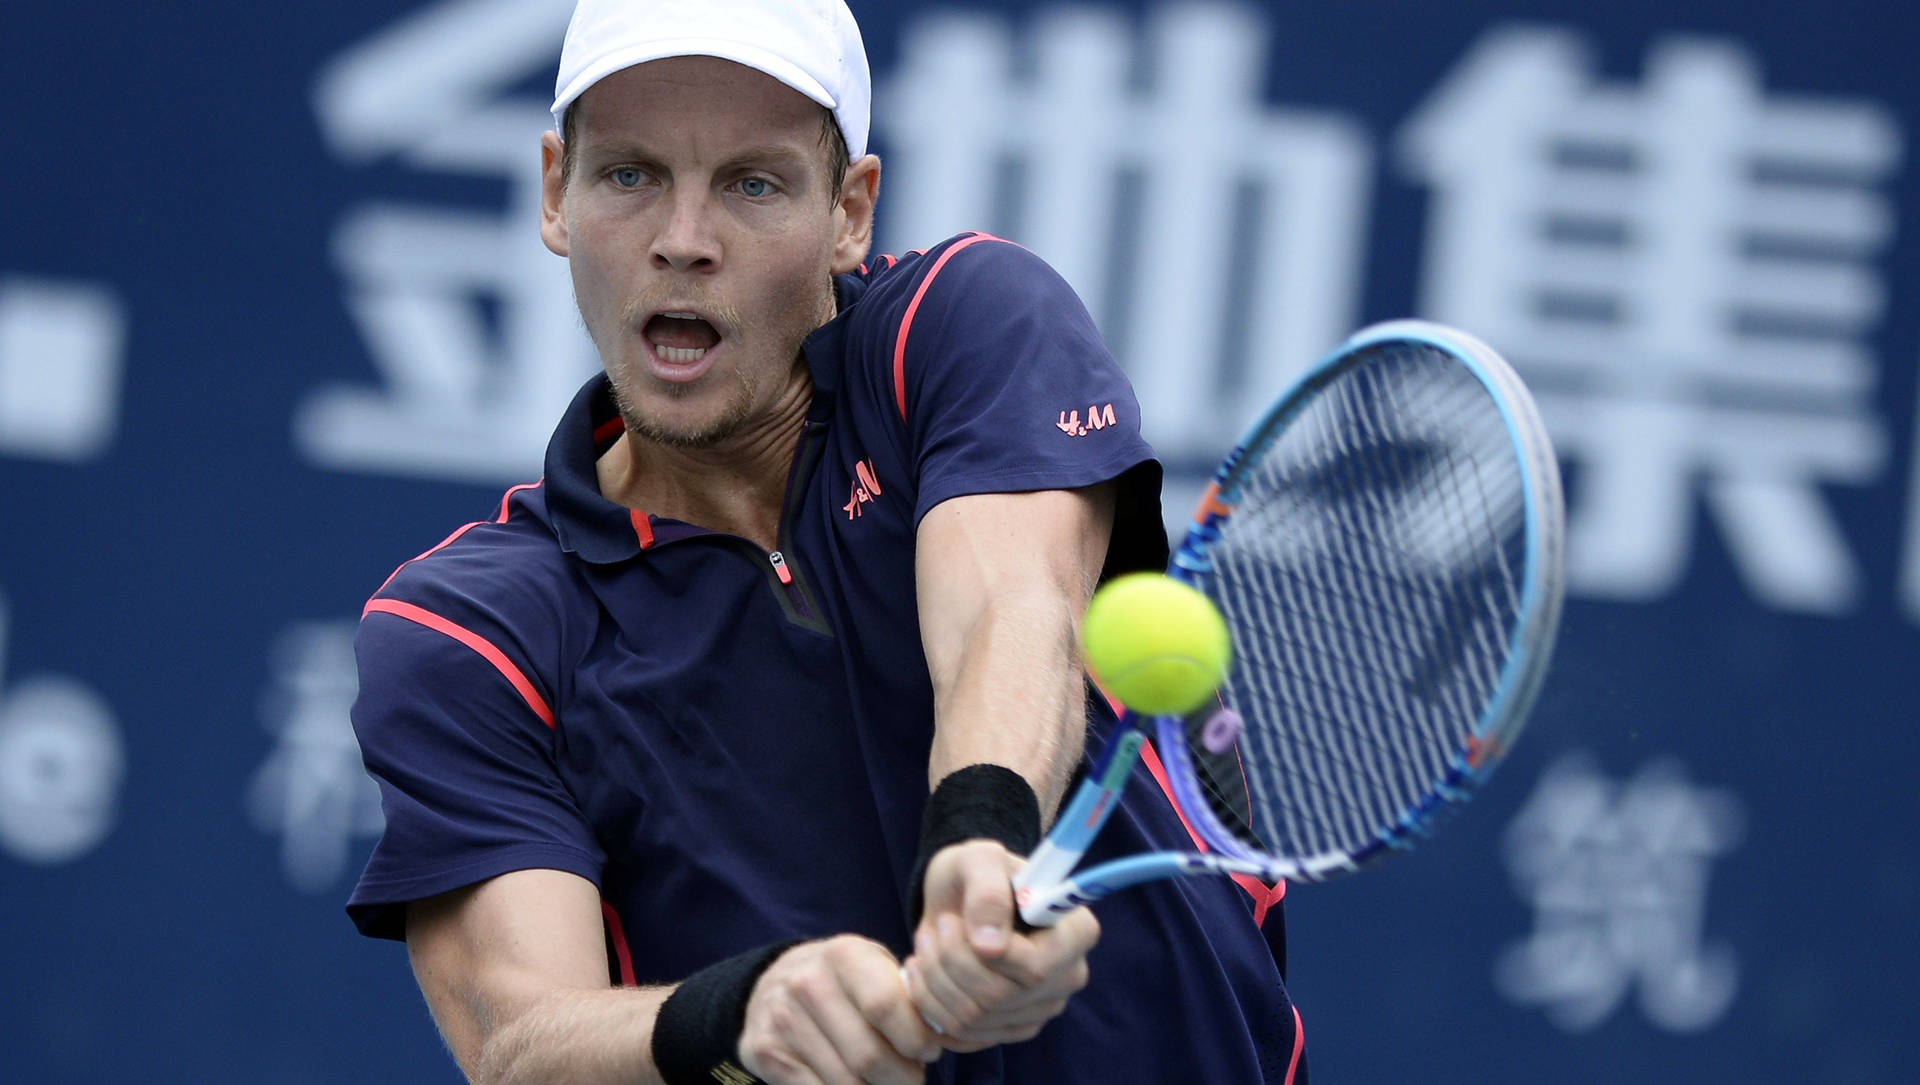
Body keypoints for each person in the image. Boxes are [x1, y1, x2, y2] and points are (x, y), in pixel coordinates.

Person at [345, 1, 1306, 1081]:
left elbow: (1010, 607)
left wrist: (978, 844)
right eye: (629, 176)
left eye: (754, 184)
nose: (683, 240)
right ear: (555, 193)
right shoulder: (472, 631)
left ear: (850, 213)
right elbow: (522, 1040)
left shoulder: (959, 327)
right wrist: (740, 1013)